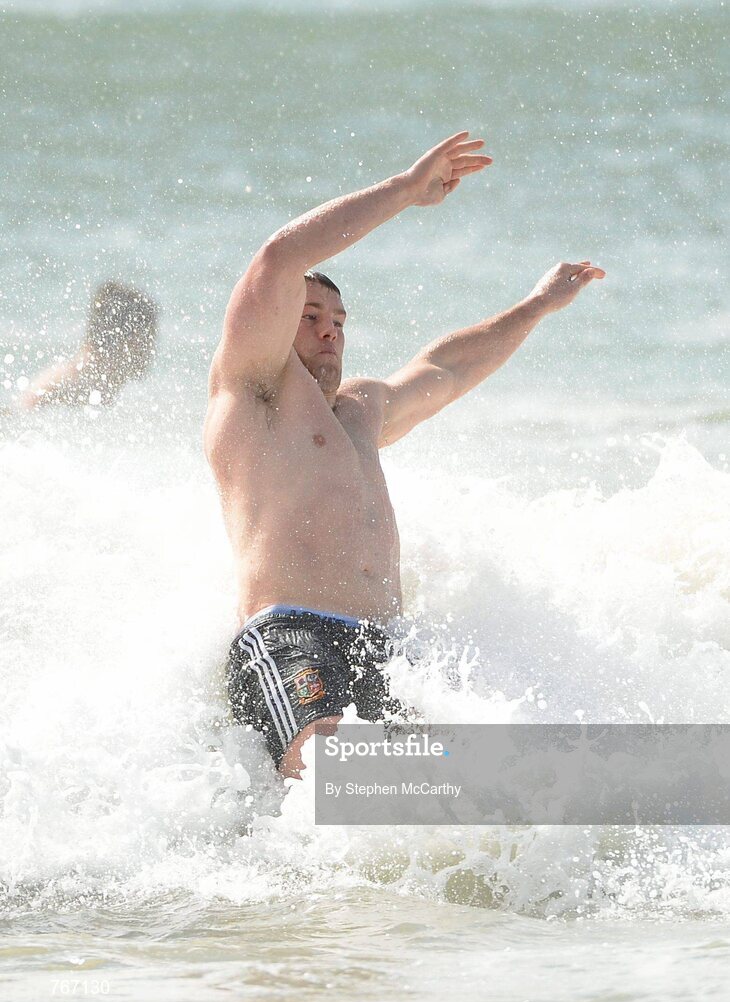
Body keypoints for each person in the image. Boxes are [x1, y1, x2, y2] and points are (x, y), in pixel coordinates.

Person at [204, 130, 605, 777]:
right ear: (277, 321)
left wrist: (536, 306)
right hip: (291, 636)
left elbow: (445, 370)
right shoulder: (251, 395)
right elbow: (277, 259)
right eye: (310, 316)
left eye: (338, 320)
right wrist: (405, 191)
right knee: (337, 772)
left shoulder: (360, 412)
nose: (329, 329)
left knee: (454, 784)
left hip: (387, 649)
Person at [19, 280, 158, 409]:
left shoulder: (114, 388)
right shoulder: (57, 386)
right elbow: (23, 414)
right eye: (149, 338)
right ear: (133, 341)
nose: (152, 350)